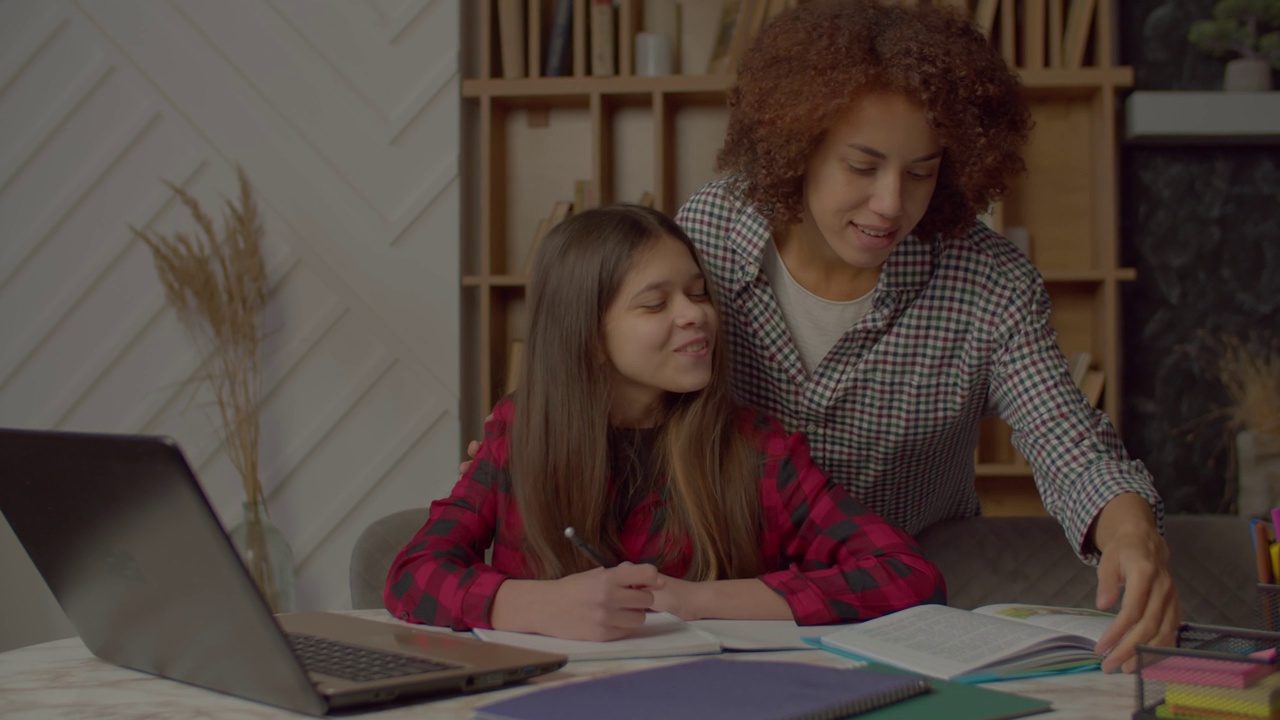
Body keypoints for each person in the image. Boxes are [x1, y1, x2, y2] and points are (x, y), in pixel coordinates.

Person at [673, 0, 1178, 671]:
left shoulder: (987, 281)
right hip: (728, 596)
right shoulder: (708, 235)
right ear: (798, 144)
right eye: (862, 165)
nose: (891, 204)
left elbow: (1067, 440)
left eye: (921, 170)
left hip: (909, 607)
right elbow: (627, 394)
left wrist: (1130, 531)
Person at [387, 204, 945, 641]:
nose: (695, 314)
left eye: (698, 293)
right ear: (589, 338)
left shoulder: (760, 451)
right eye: (655, 305)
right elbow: (413, 573)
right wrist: (536, 605)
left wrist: (693, 599)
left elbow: (906, 575)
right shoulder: (517, 431)